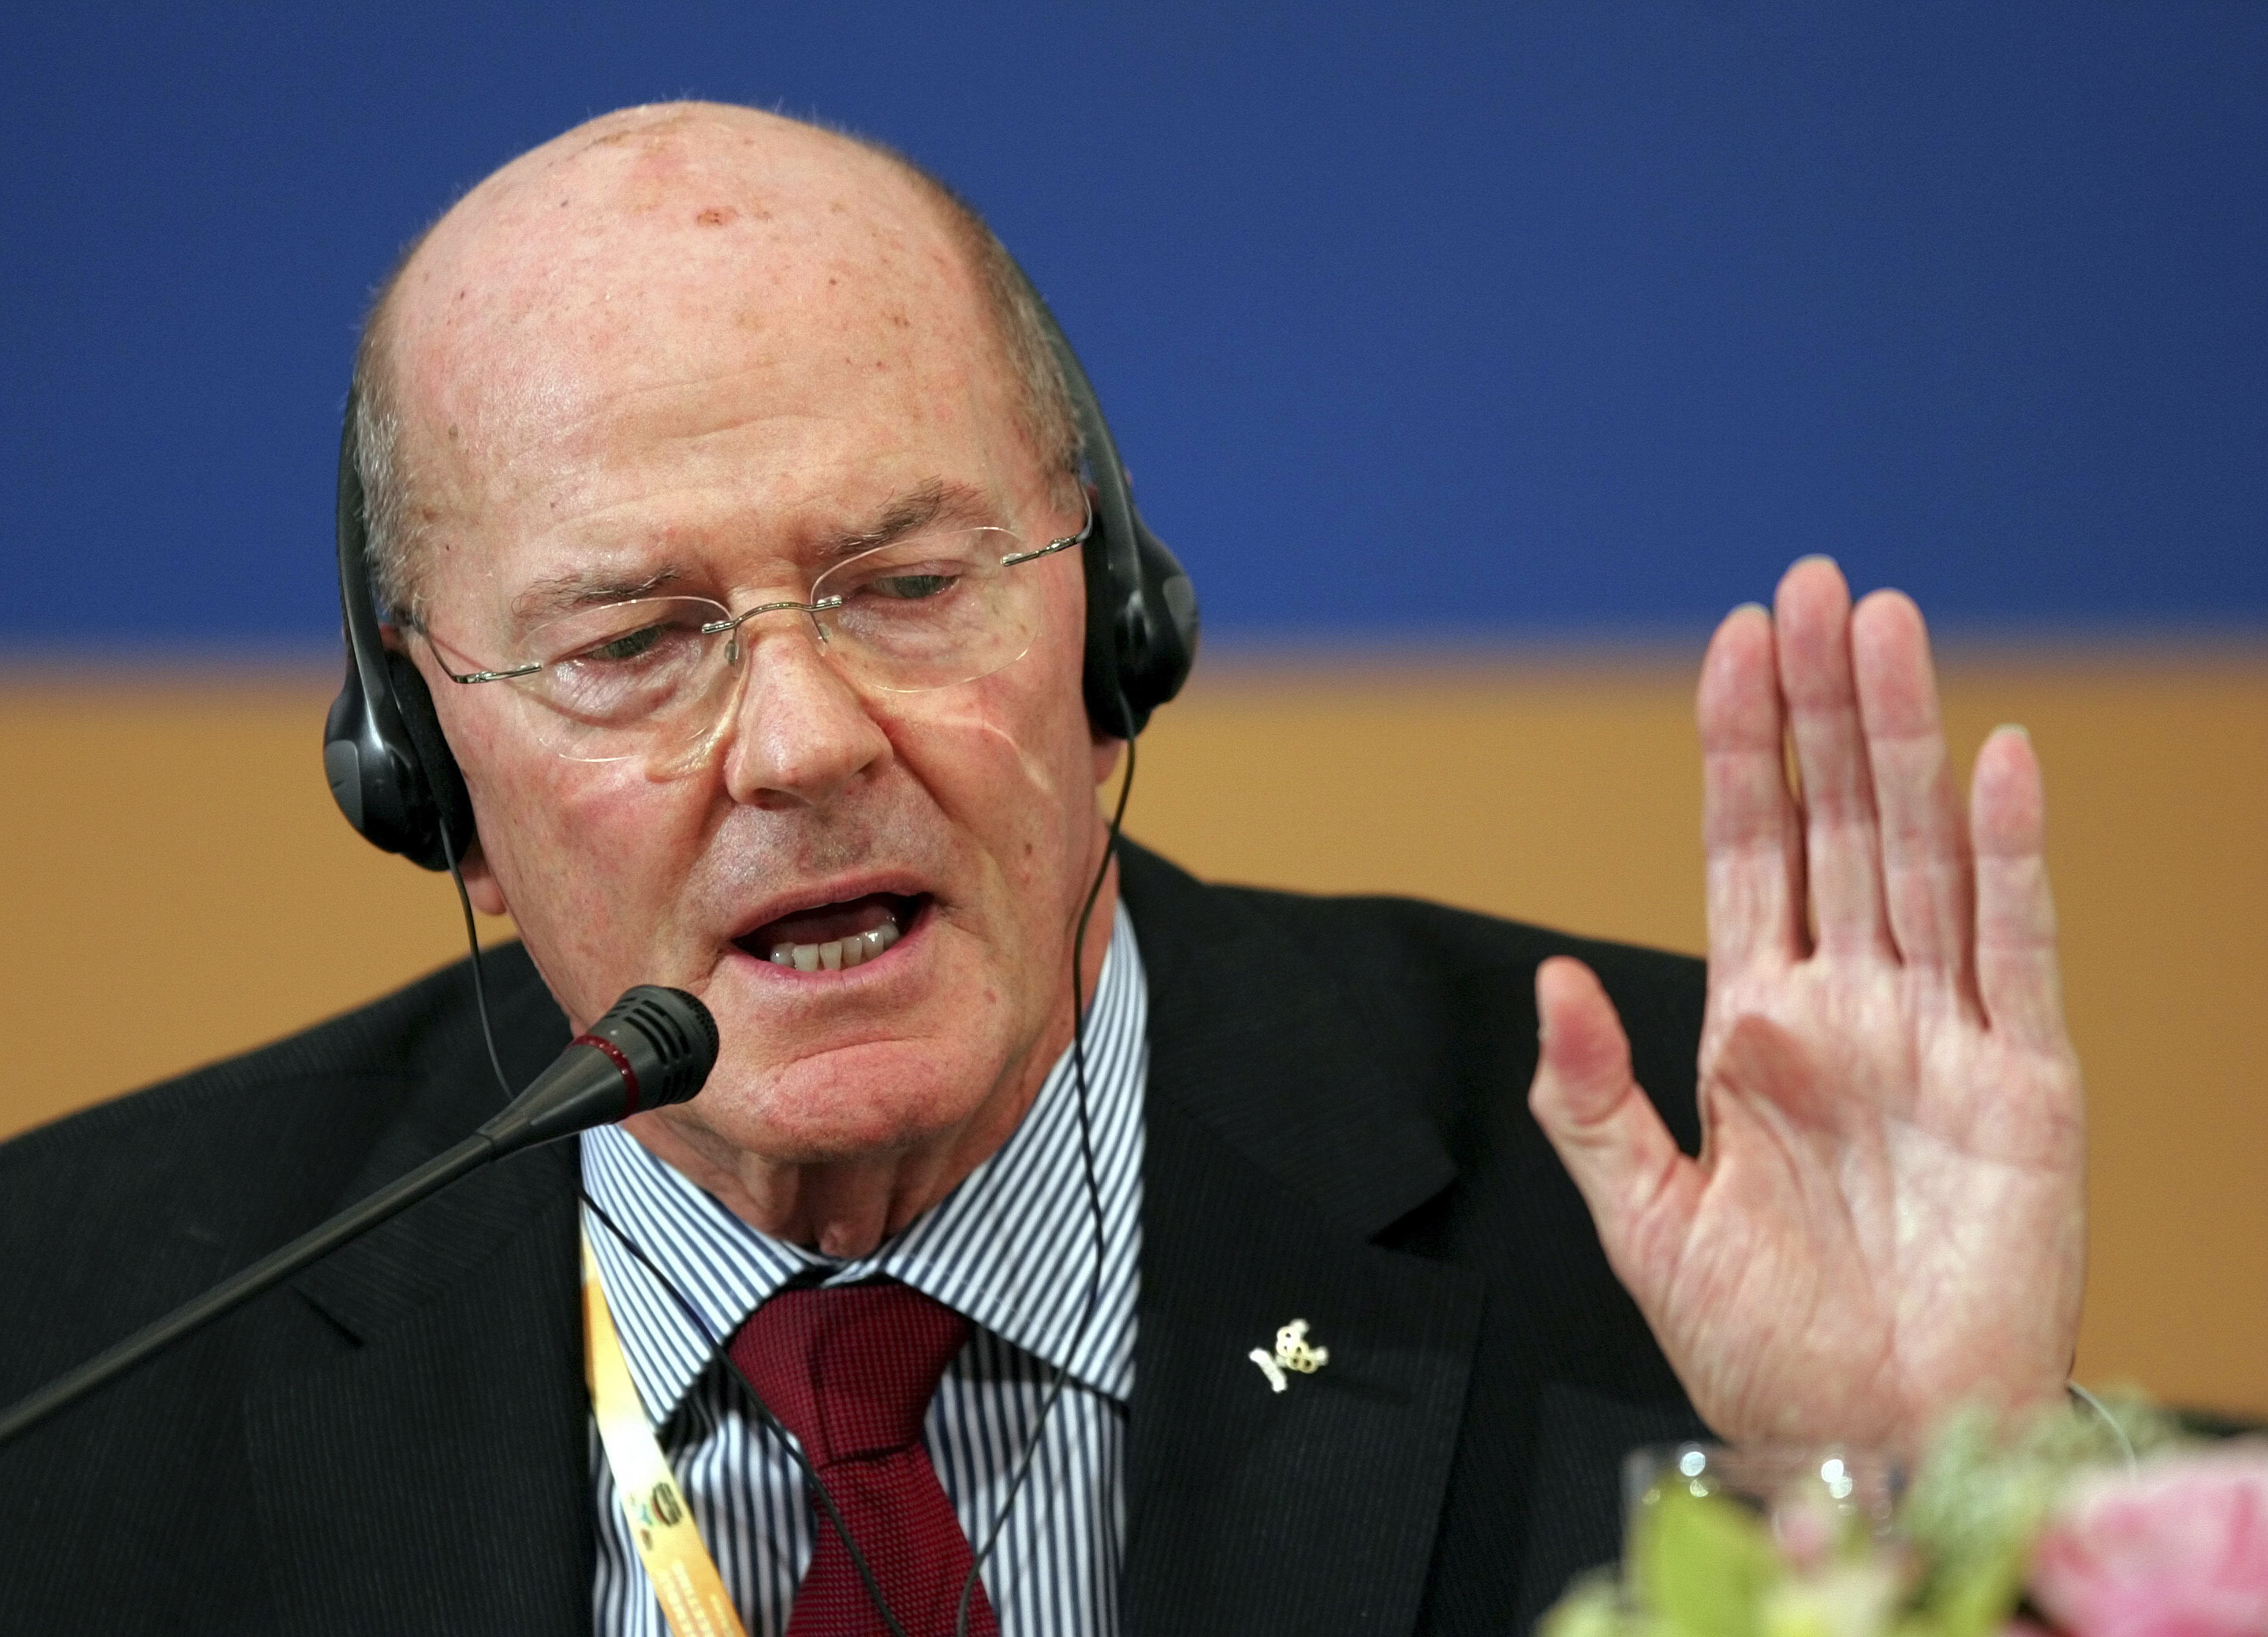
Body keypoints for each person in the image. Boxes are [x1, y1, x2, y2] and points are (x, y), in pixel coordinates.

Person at [0, 103, 2084, 1635]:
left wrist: (1957, 1507)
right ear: (425, 767)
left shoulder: (1676, 1195)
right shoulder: (72, 1350)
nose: (806, 743)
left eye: (909, 583)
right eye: (634, 643)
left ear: (1114, 635)